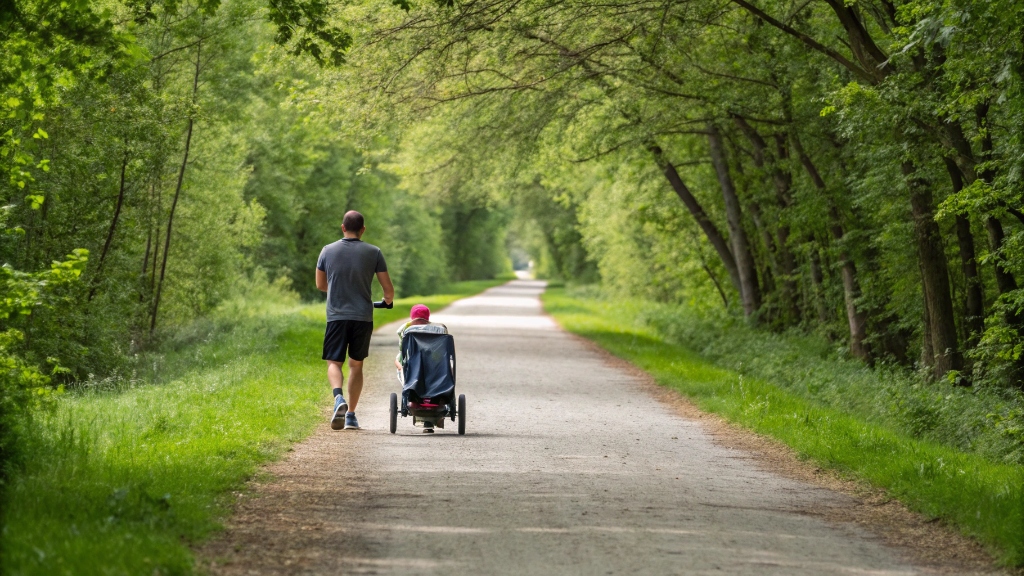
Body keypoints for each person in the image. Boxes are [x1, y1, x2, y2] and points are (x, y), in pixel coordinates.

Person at [316, 210, 394, 431]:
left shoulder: (327, 251)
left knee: (334, 362)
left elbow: (321, 285)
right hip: (362, 317)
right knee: (356, 365)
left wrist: (339, 289)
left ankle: (338, 397)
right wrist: (387, 301)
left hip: (336, 316)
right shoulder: (374, 252)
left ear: (343, 227)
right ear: (363, 230)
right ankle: (350, 415)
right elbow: (388, 290)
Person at [394, 304, 448, 433]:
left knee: (399, 363)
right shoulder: (438, 330)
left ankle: (411, 393)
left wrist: (400, 365)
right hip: (435, 367)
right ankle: (434, 409)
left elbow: (402, 354)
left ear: (412, 317)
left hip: (413, 368)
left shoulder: (406, 330)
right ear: (427, 318)